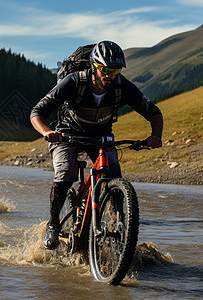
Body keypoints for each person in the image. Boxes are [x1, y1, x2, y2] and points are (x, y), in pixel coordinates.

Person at [30, 41, 163, 250]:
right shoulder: (73, 82)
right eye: (104, 69)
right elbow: (37, 112)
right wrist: (48, 132)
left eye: (115, 70)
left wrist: (156, 135)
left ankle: (119, 228)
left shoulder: (122, 86)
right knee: (67, 172)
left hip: (101, 135)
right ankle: (54, 223)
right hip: (67, 134)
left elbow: (154, 113)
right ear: (93, 65)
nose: (109, 75)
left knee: (113, 173)